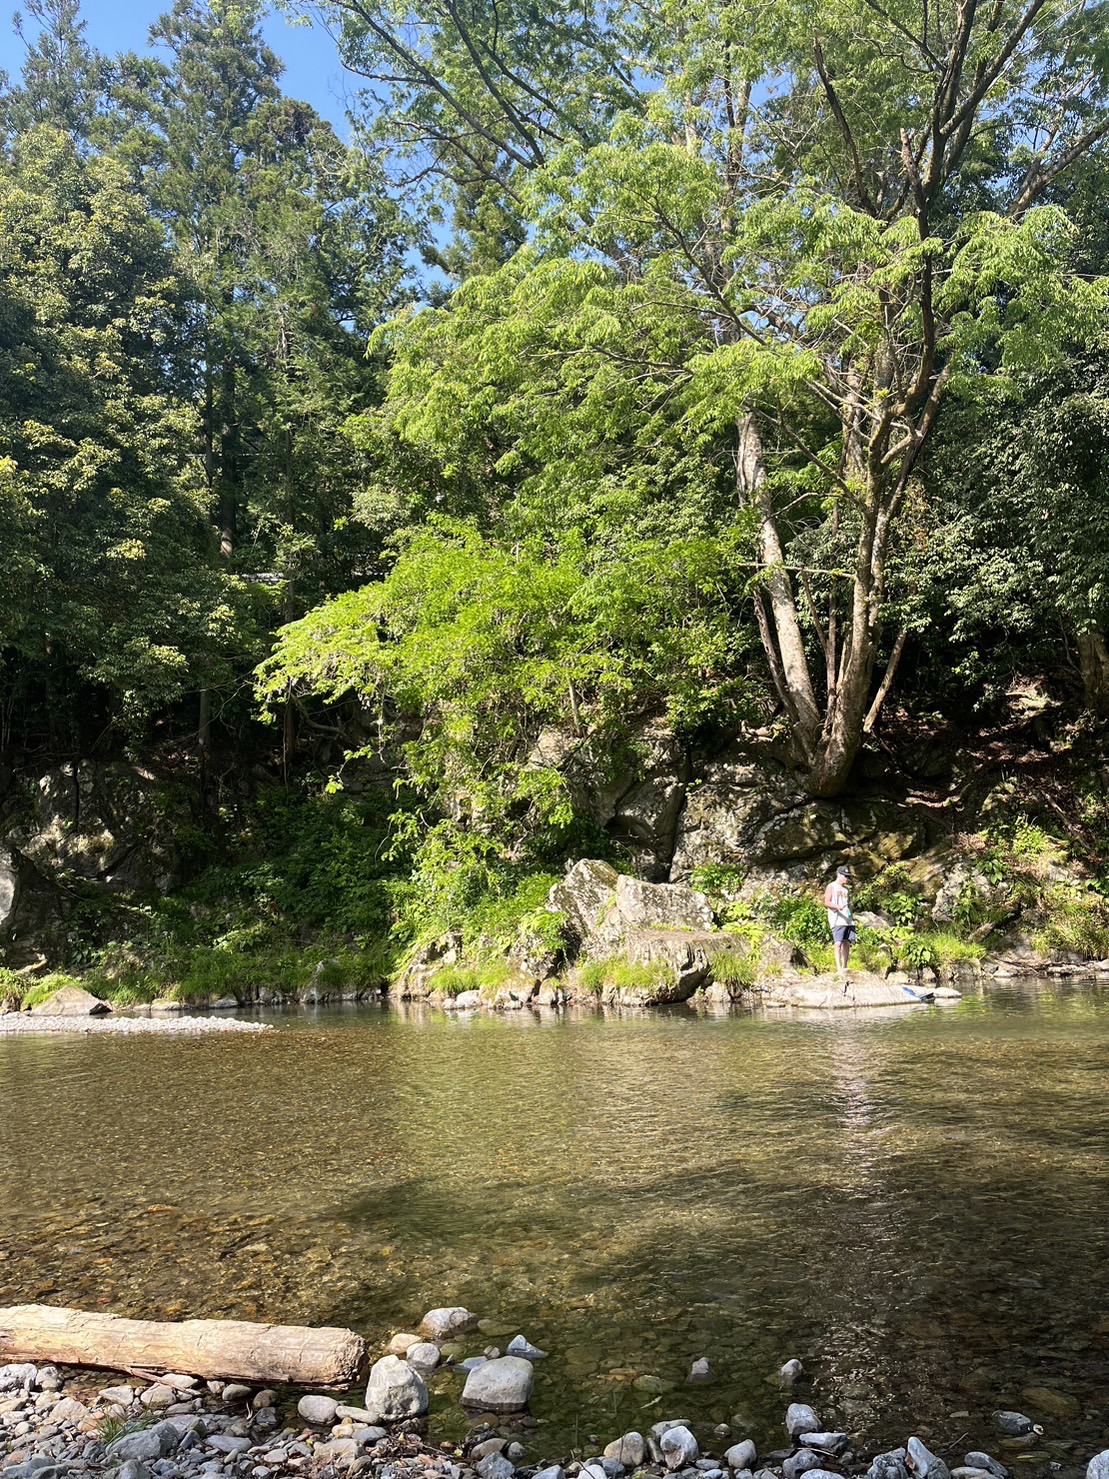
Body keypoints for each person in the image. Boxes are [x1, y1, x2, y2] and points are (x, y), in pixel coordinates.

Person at [824, 864, 855, 983]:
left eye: (848, 877)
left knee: (847, 942)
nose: (847, 879)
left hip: (847, 920)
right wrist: (837, 907)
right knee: (838, 943)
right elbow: (826, 902)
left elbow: (849, 904)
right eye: (845, 876)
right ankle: (838, 968)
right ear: (839, 875)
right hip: (837, 919)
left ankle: (845, 967)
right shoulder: (831, 886)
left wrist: (851, 915)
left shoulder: (846, 890)